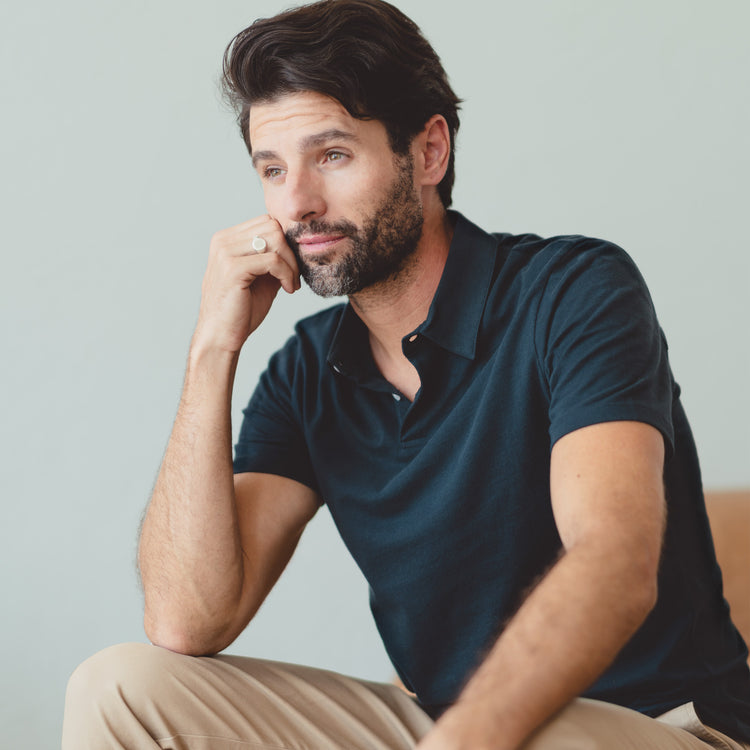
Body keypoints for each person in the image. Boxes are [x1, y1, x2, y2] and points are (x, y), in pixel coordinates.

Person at [62, 1, 750, 748]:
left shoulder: (573, 290)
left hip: (653, 727)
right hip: (444, 729)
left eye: (331, 156)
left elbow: (613, 565)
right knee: (120, 687)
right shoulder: (306, 372)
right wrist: (211, 348)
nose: (296, 203)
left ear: (428, 153)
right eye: (272, 168)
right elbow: (186, 619)